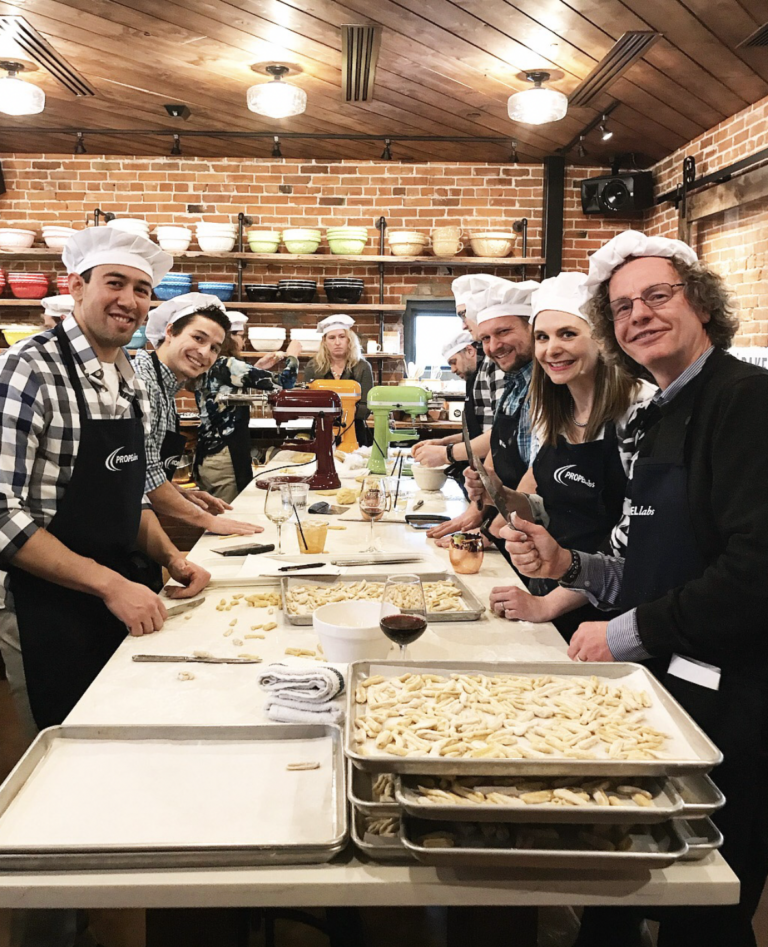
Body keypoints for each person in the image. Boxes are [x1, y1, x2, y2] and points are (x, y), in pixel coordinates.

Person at [502, 231, 768, 947]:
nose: (638, 315)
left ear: (702, 307)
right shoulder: (657, 413)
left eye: (658, 296)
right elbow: (643, 561)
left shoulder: (747, 402)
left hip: (734, 701)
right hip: (662, 689)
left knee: (707, 901)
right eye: (622, 306)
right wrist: (569, 566)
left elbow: (754, 575)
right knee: (617, 876)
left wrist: (622, 630)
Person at [0, 228, 210, 737]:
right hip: (44, 604)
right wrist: (110, 584)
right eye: (115, 283)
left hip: (115, 594)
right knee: (60, 754)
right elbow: (2, 513)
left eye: (142, 290)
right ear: (76, 286)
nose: (130, 301)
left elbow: (127, 495)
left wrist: (172, 559)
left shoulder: (129, 381)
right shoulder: (28, 369)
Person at [475, 272, 654, 637]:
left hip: (604, 614)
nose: (550, 349)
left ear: (601, 339)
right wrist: (504, 497)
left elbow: (632, 542)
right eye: (542, 337)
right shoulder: (555, 412)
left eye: (567, 334)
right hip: (549, 584)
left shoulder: (640, 411)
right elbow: (551, 505)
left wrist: (548, 604)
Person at [136, 293, 262, 545]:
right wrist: (210, 521)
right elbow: (143, 477)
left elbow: (142, 472)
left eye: (215, 348)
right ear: (170, 331)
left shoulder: (164, 387)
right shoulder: (143, 384)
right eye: (198, 338)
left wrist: (183, 495)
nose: (205, 353)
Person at [427, 276, 539, 542]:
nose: (493, 346)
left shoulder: (543, 385)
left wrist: (493, 531)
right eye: (486, 338)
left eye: (504, 332)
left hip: (529, 524)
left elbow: (535, 473)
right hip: (513, 519)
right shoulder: (514, 382)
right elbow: (499, 443)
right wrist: (476, 511)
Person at [195, 310, 302, 502]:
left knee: (214, 515)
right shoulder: (227, 364)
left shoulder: (210, 364)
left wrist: (258, 369)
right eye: (241, 336)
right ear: (231, 337)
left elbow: (224, 389)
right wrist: (293, 356)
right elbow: (285, 382)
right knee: (227, 520)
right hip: (226, 456)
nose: (243, 342)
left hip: (207, 455)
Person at [412, 275, 494, 468]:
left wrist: (446, 453)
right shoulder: (477, 374)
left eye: (466, 315)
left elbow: (500, 436)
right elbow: (479, 432)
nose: (464, 325)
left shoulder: (493, 366)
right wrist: (442, 443)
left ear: (470, 350)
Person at [303, 314, 373, 446]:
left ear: (349, 340)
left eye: (342, 336)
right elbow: (309, 404)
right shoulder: (313, 367)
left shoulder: (362, 367)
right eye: (331, 337)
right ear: (324, 341)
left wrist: (336, 414)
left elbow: (365, 407)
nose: (337, 342)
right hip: (321, 431)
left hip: (355, 432)